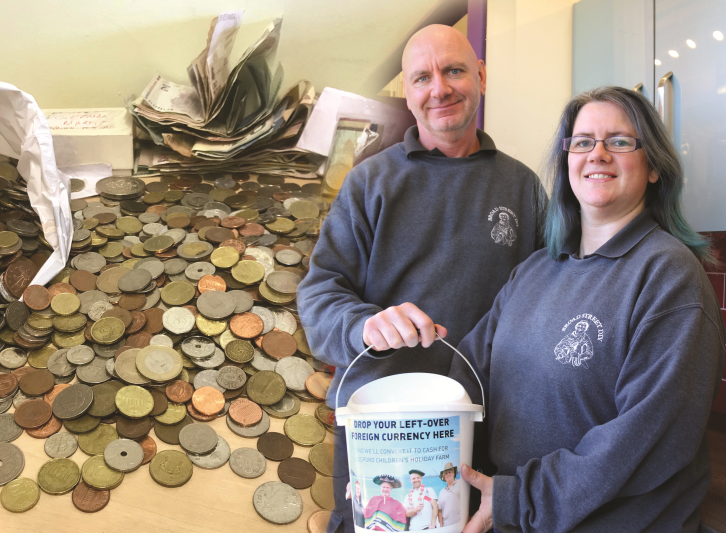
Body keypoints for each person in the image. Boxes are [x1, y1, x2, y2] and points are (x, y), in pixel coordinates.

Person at [297, 23, 546, 533]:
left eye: (454, 70)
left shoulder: (524, 187)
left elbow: (550, 298)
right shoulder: (369, 181)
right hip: (381, 424)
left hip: (484, 422)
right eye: (422, 78)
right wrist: (365, 326)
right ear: (407, 95)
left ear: (480, 75)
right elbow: (320, 293)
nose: (440, 89)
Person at [448, 86, 725, 532]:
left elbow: (643, 442)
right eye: (582, 142)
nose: (597, 154)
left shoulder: (669, 276)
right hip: (516, 515)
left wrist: (520, 499)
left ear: (653, 166)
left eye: (618, 141)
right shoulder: (534, 271)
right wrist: (403, 450)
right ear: (567, 162)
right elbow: (466, 376)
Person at [436, 462, 461, 527]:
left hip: (460, 523)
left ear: (453, 473)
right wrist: (441, 526)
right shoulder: (442, 492)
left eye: (450, 472)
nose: (448, 474)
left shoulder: (460, 483)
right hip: (446, 526)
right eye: (446, 473)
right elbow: (440, 510)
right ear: (444, 476)